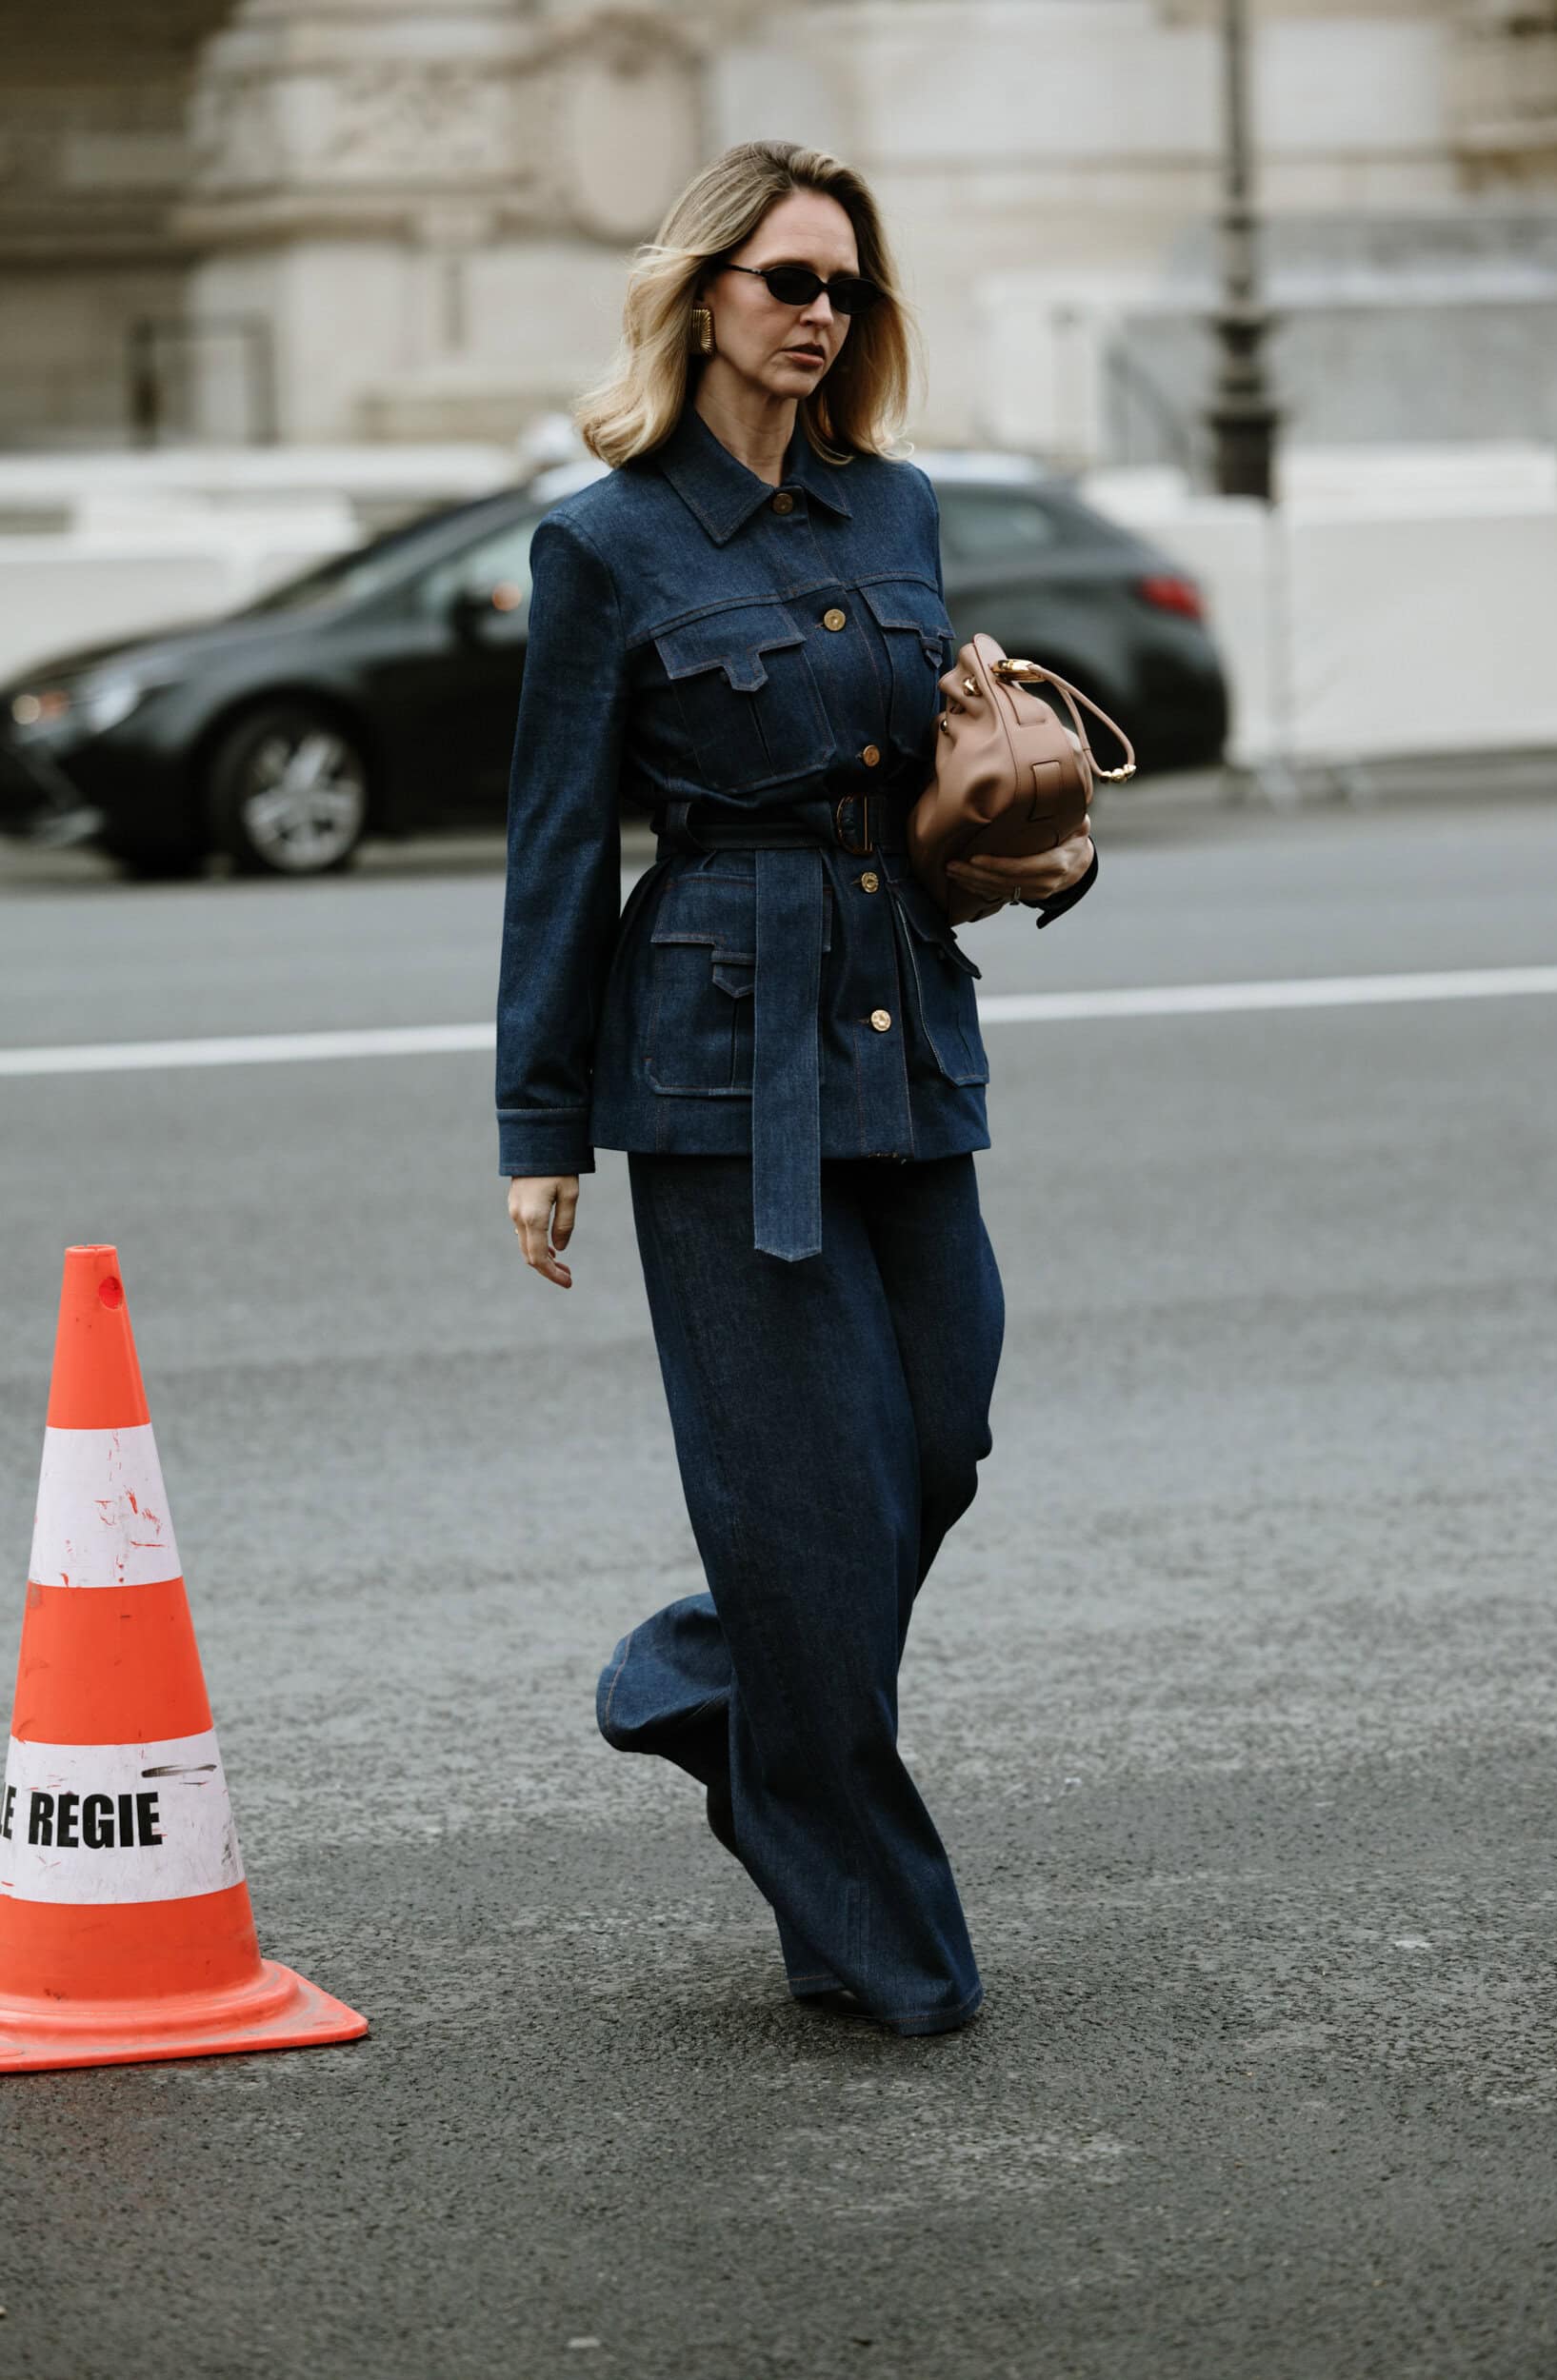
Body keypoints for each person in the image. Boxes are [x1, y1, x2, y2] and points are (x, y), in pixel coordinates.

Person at [495, 140, 1098, 2038]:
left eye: (845, 284)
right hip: (711, 1049)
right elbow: (561, 841)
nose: (820, 311)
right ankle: (877, 1928)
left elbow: (921, 780)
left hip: (903, 1012)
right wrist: (540, 1127)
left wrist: (1030, 823)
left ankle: (711, 1675)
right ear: (706, 299)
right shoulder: (606, 542)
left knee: (938, 1437)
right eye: (787, 280)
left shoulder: (898, 505)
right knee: (810, 1501)